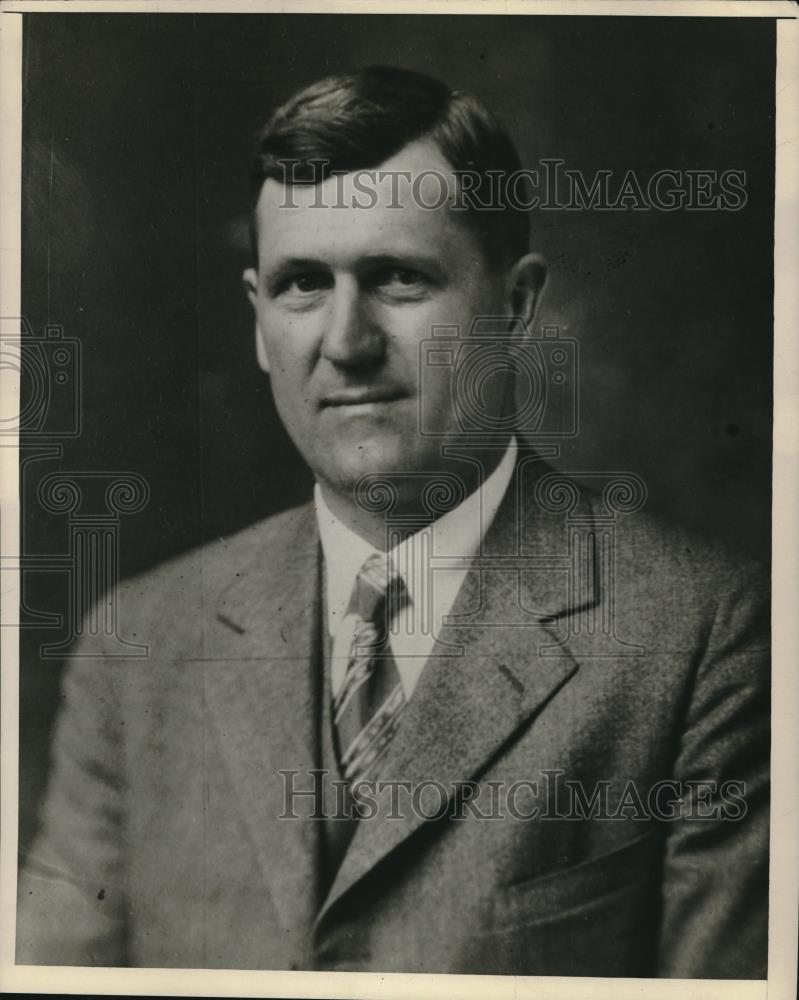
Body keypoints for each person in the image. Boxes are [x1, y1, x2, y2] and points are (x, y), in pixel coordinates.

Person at [16, 65, 769, 978]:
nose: (344, 341)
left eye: (398, 278)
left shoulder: (708, 635)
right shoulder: (137, 645)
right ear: (258, 322)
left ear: (516, 303)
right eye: (301, 284)